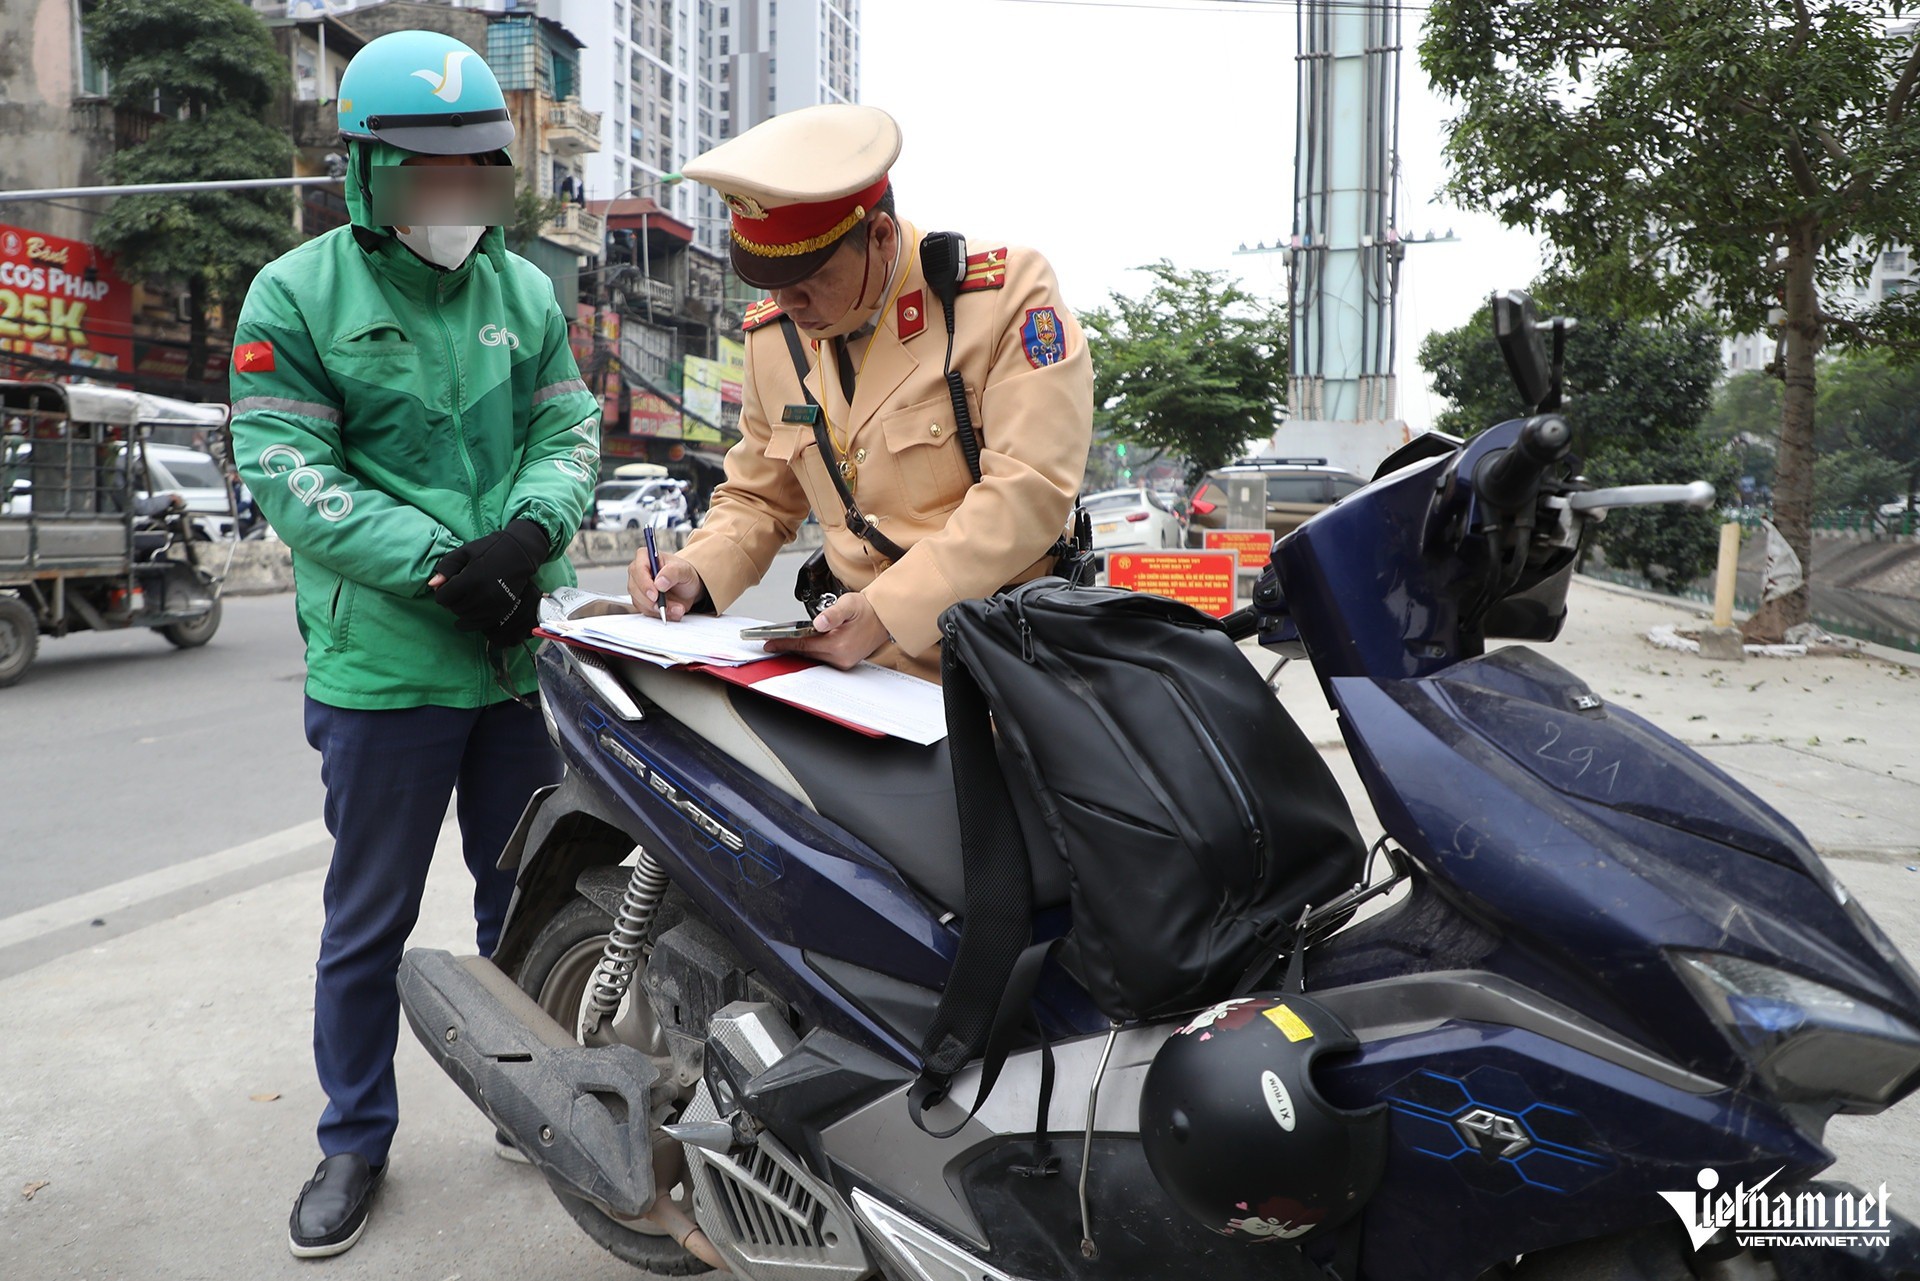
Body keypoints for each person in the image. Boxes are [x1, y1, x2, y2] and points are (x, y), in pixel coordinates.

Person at [226, 29, 599, 1260]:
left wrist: (535, 529)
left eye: (475, 173)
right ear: (363, 170)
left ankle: (520, 1093)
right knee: (369, 919)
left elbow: (568, 435)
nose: (453, 199)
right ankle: (352, 1139)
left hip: (507, 663)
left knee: (526, 898)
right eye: (423, 174)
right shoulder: (295, 294)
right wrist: (443, 565)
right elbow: (287, 467)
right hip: (385, 666)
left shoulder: (527, 291)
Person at [629, 105, 1093, 681]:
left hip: (999, 664)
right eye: (771, 284)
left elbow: (1030, 491)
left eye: (809, 281)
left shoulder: (1002, 299)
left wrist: (885, 611)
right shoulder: (773, 338)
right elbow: (759, 497)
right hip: (855, 673)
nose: (789, 305)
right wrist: (694, 570)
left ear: (877, 237)